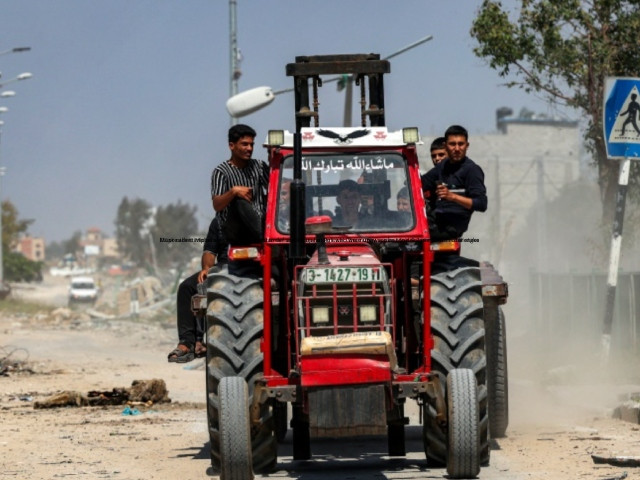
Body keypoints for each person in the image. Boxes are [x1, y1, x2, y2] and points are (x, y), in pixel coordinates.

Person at [168, 216, 228, 363]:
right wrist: (207, 268)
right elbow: (209, 252)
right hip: (224, 268)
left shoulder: (263, 216)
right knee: (187, 287)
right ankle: (190, 343)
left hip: (257, 266)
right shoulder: (220, 221)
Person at [421, 125, 487, 241]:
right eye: (452, 144)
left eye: (461, 144)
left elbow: (481, 204)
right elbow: (421, 183)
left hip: (452, 226)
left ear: (467, 146)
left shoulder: (472, 170)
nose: (457, 148)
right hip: (436, 220)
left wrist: (452, 196)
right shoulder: (442, 166)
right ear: (445, 146)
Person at [211, 124, 269, 245]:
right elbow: (217, 205)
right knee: (239, 202)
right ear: (232, 146)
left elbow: (275, 189)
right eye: (244, 144)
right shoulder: (221, 172)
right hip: (235, 234)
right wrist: (233, 192)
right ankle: (262, 237)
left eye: (251, 144)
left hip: (261, 224)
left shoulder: (260, 166)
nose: (249, 148)